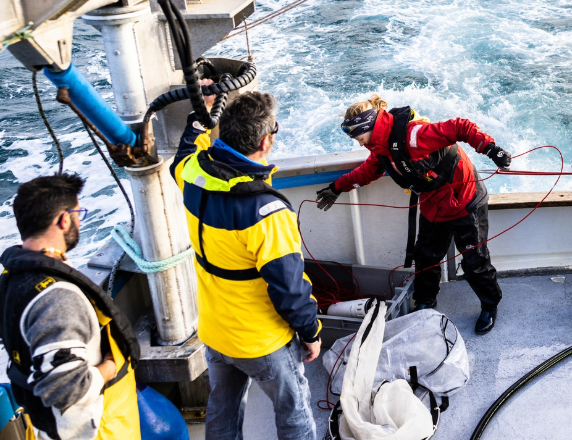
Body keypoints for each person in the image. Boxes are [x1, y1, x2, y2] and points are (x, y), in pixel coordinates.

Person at [171, 90, 322, 440]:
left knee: (223, 410)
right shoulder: (267, 213)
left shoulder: (192, 177)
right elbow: (289, 289)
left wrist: (199, 118)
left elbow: (183, 155)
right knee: (294, 412)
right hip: (261, 341)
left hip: (215, 332)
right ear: (266, 141)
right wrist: (311, 332)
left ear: (222, 132)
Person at [315, 94, 511, 335]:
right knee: (426, 257)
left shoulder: (415, 135)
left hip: (464, 199)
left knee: (474, 262)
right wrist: (336, 188)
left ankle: (490, 305)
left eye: (357, 136)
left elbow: (461, 127)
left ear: (368, 126)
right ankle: (426, 301)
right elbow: (366, 173)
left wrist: (491, 149)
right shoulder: (379, 148)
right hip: (433, 205)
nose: (357, 142)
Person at [1, 173, 141, 440]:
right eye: (78, 212)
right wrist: (109, 367)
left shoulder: (11, 281)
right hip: (93, 431)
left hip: (48, 427)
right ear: (64, 220)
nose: (79, 219)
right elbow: (67, 388)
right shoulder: (57, 298)